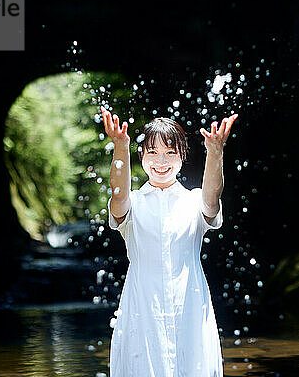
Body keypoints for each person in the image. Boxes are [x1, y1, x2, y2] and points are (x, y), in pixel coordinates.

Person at [101, 106, 238, 376]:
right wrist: (120, 146)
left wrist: (215, 151)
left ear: (182, 156)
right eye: (152, 152)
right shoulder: (134, 204)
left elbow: (212, 198)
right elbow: (118, 198)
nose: (160, 161)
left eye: (169, 153)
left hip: (189, 304)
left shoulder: (193, 201)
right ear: (141, 156)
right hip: (142, 308)